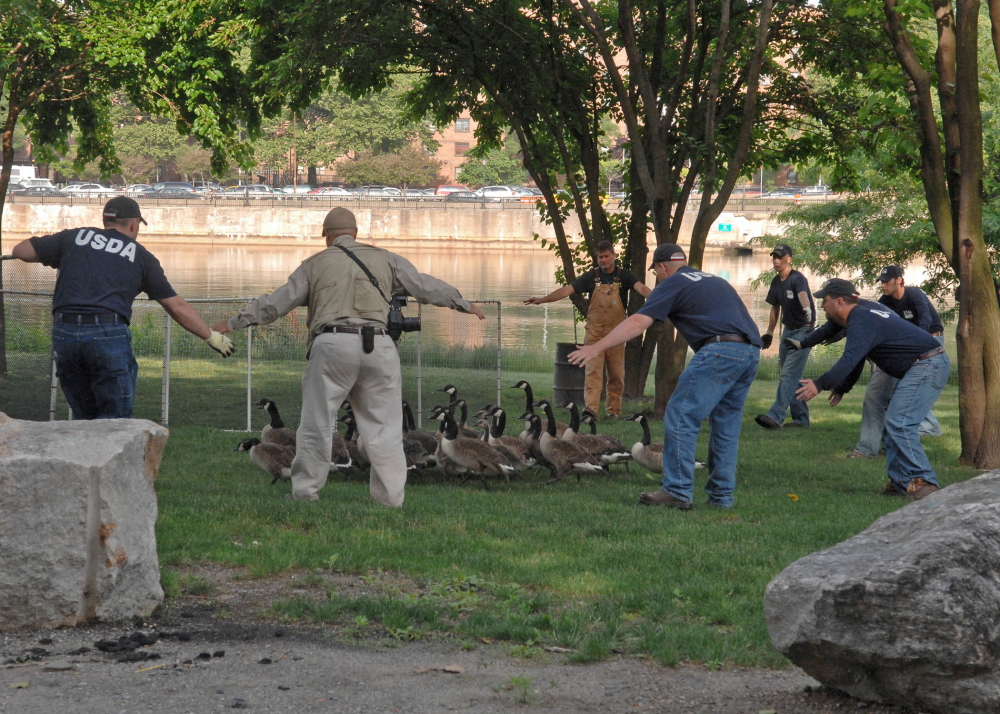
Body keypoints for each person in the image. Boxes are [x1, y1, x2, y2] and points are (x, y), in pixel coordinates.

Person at [213, 207, 486, 506]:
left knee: (316, 425)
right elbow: (423, 285)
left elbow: (277, 302)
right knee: (384, 429)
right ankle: (391, 500)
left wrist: (234, 322)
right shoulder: (386, 259)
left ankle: (305, 494)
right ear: (356, 233)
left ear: (326, 235)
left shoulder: (314, 264)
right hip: (380, 346)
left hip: (332, 345)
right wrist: (462, 302)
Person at [567, 243, 761, 510]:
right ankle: (720, 497)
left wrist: (596, 347)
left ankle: (678, 490)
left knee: (681, 415)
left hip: (719, 350)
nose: (657, 277)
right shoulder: (712, 280)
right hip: (749, 352)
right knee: (726, 425)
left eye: (656, 272)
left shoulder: (673, 282)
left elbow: (637, 322)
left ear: (661, 267)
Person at [10, 196, 233, 419]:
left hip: (64, 333)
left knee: (82, 417)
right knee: (115, 420)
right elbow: (176, 306)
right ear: (134, 224)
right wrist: (210, 336)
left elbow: (21, 251)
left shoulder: (73, 237)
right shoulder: (140, 256)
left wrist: (61, 254)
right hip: (107, 334)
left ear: (105, 220)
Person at [794, 279, 949, 499]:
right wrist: (841, 384)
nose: (821, 306)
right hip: (923, 364)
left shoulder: (861, 320)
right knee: (893, 422)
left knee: (901, 423)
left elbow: (849, 359)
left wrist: (820, 384)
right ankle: (901, 483)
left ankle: (925, 482)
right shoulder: (862, 313)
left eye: (824, 301)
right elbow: (851, 353)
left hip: (928, 365)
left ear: (839, 301)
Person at [524, 240, 651, 419]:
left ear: (614, 256)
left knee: (616, 375)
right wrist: (543, 299)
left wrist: (661, 300)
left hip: (617, 334)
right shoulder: (591, 277)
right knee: (593, 373)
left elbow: (642, 288)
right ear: (597, 258)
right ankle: (591, 410)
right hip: (594, 334)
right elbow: (567, 290)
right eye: (600, 257)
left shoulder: (625, 276)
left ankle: (613, 411)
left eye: (607, 256)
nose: (604, 260)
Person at [876, 265, 945, 439]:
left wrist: (914, 342)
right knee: (905, 386)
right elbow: (875, 320)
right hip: (910, 345)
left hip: (931, 339)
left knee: (916, 385)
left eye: (886, 281)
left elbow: (925, 319)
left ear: (899, 280)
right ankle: (926, 426)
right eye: (881, 282)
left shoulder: (914, 294)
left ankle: (929, 427)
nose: (883, 285)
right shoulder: (884, 301)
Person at [754, 244, 815, 430]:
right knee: (792, 376)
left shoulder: (798, 278)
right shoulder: (775, 281)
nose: (776, 260)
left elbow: (803, 294)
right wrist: (770, 332)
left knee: (789, 374)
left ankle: (775, 416)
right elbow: (775, 308)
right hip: (787, 330)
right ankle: (801, 420)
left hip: (803, 331)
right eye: (774, 257)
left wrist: (807, 309)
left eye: (780, 257)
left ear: (789, 259)